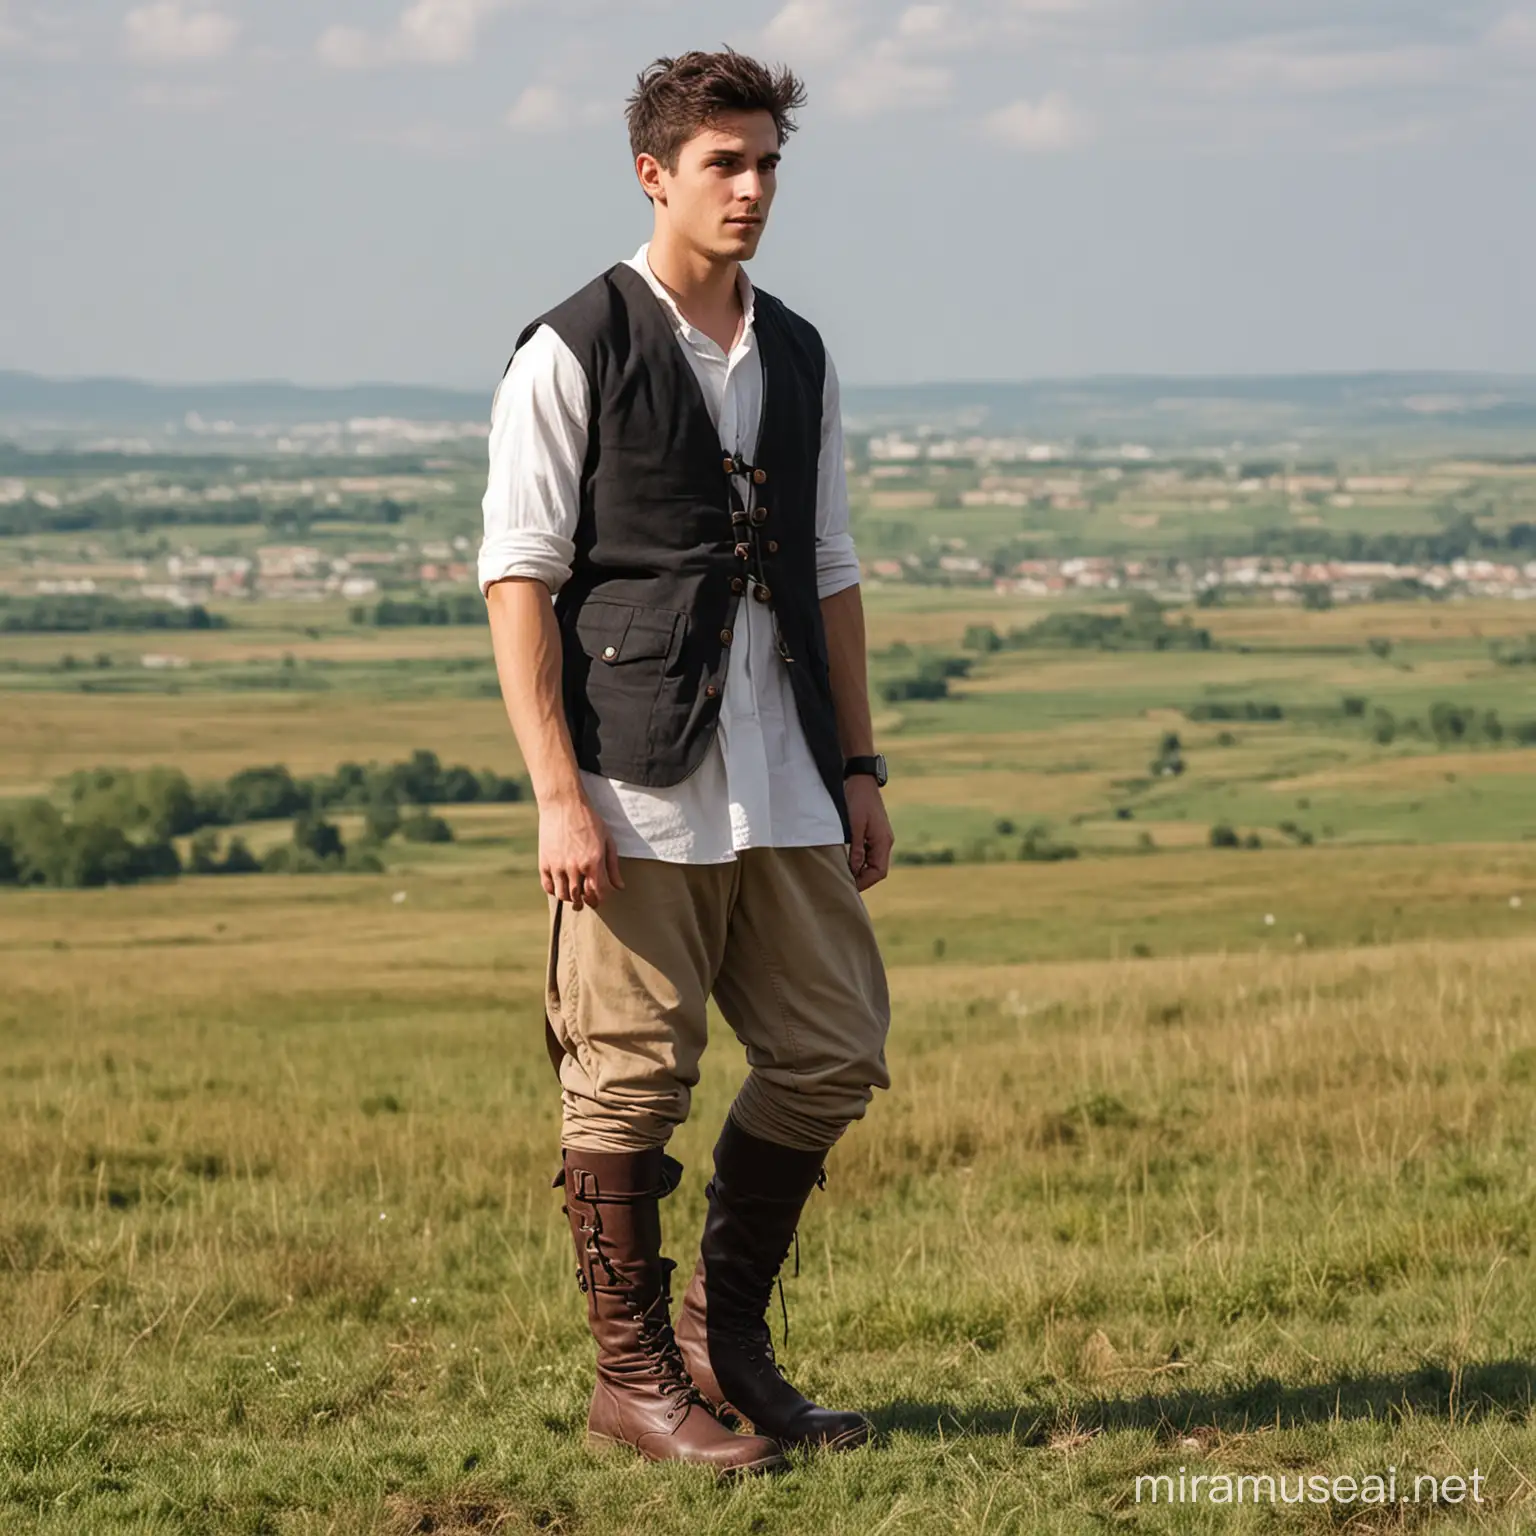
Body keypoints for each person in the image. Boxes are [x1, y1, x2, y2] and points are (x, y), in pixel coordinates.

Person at [479, 48, 893, 1475]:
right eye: (726, 161)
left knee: (835, 1048)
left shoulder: (798, 349)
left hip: (783, 769)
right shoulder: (573, 345)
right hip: (634, 776)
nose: (754, 186)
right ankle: (633, 1380)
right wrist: (556, 794)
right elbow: (519, 580)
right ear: (654, 172)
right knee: (628, 1081)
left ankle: (722, 1338)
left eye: (769, 159)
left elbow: (828, 567)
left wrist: (859, 765)